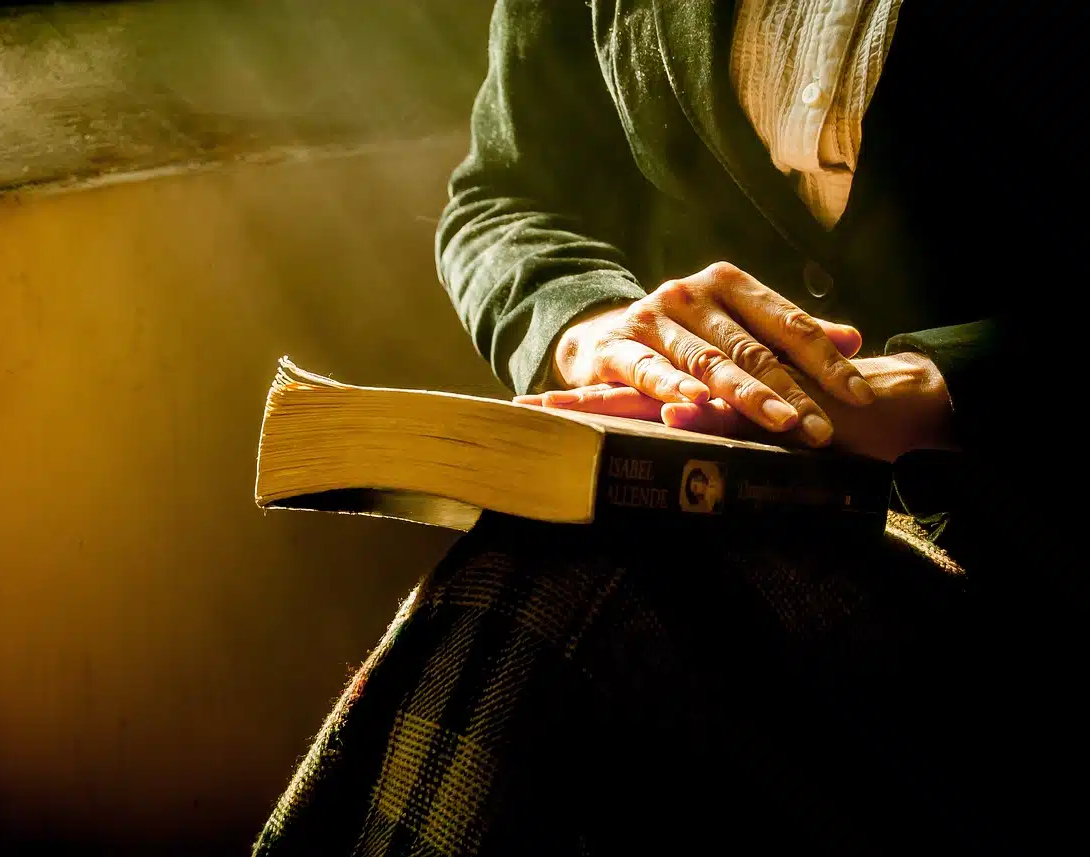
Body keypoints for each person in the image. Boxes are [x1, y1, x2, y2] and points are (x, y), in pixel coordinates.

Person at [253, 3, 1084, 854]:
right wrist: (594, 326)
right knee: (543, 575)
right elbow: (506, 195)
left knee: (571, 599)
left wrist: (928, 386)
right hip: (732, 503)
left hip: (1014, 543)